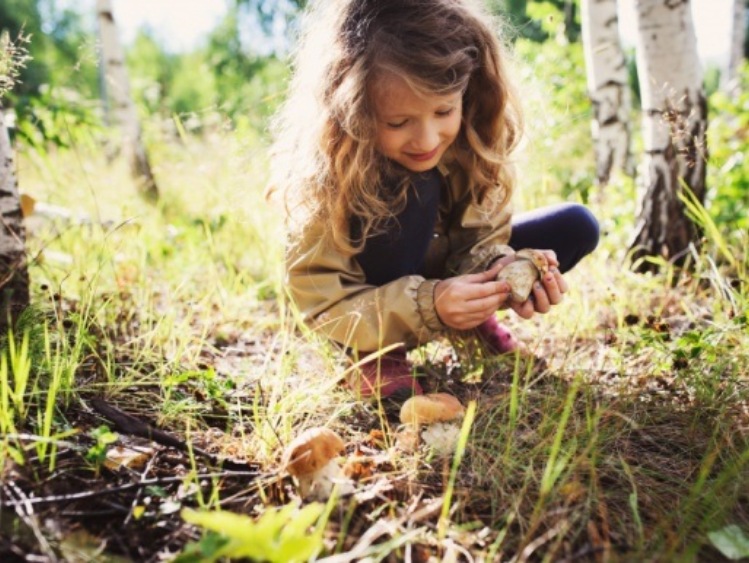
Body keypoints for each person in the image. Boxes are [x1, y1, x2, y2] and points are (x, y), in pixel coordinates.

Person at [269, 0, 599, 404]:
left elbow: (480, 237)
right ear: (353, 111)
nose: (426, 141)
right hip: (368, 299)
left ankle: (475, 319)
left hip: (437, 267)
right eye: (397, 122)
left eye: (444, 111)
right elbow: (323, 302)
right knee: (412, 186)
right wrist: (432, 305)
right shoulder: (329, 175)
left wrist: (497, 272)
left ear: (468, 91)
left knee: (576, 225)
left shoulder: (473, 140)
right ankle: (374, 354)